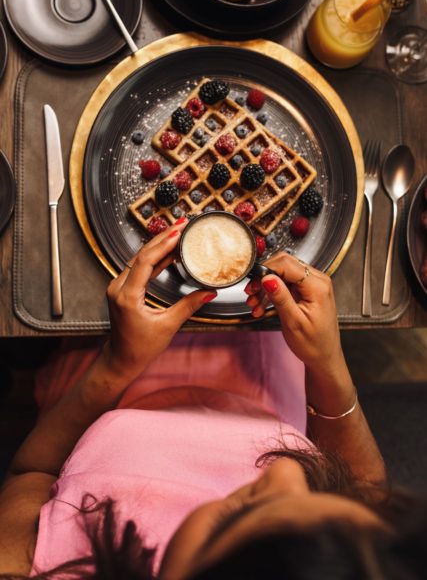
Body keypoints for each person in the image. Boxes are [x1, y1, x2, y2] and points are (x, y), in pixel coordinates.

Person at [0, 217, 425, 580]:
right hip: (269, 373)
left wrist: (117, 362)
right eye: (316, 497)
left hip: (96, 393)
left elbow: (31, 471)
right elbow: (365, 488)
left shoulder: (31, 568)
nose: (283, 475)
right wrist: (328, 365)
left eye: (237, 513)